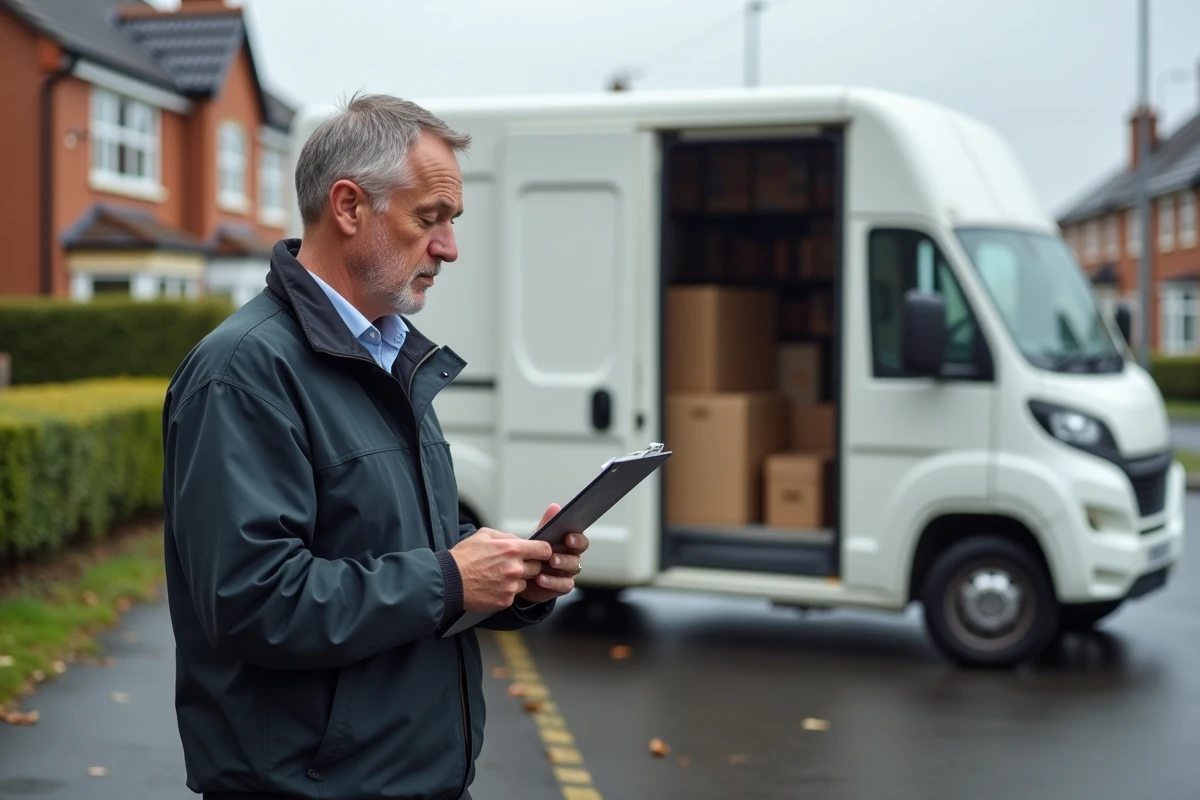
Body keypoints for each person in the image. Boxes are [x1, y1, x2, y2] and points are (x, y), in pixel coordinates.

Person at [161, 92, 588, 800]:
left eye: (452, 221)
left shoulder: (391, 356)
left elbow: (402, 543)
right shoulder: (243, 373)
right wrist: (450, 578)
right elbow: (252, 601)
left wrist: (514, 579)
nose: (449, 247)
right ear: (349, 207)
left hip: (415, 780)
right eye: (430, 218)